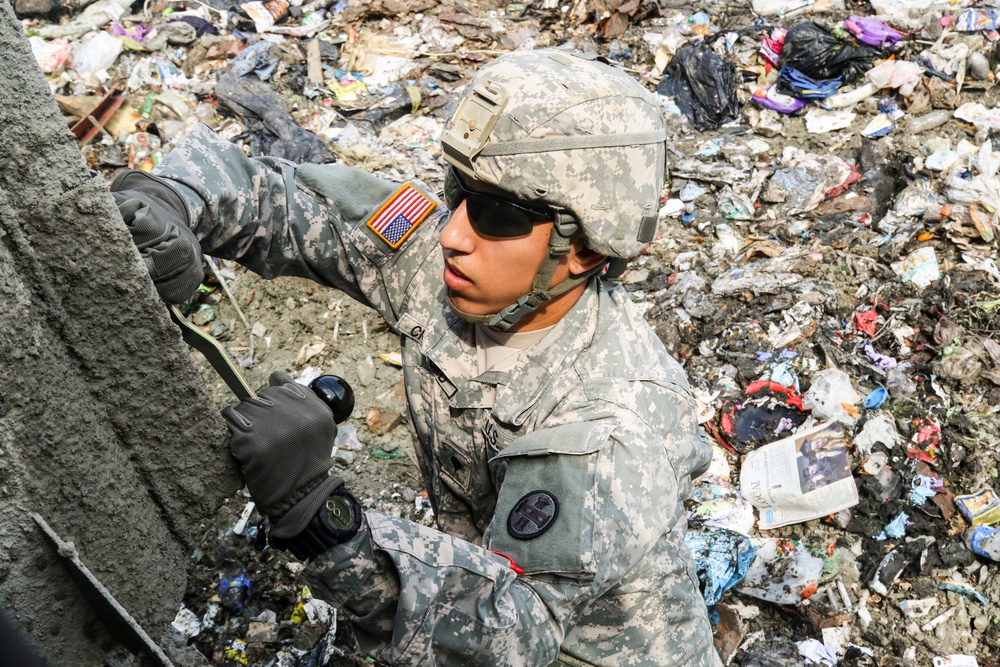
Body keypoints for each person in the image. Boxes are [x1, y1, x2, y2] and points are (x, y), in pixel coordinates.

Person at [112, 49, 721, 667]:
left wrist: (319, 514)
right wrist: (166, 201)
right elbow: (291, 202)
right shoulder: (449, 262)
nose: (453, 232)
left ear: (586, 250)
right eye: (458, 190)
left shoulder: (611, 425)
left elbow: (515, 636)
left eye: (494, 213)